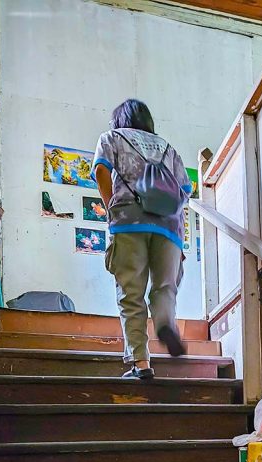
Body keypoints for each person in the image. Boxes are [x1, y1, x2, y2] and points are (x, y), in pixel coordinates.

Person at [92, 99, 191, 380]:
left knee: (131, 294)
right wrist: (180, 242)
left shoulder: (112, 137)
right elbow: (184, 191)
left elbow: (101, 169)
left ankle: (141, 364)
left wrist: (112, 208)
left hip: (129, 221)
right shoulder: (167, 148)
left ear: (119, 120)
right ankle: (164, 322)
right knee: (165, 288)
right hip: (169, 227)